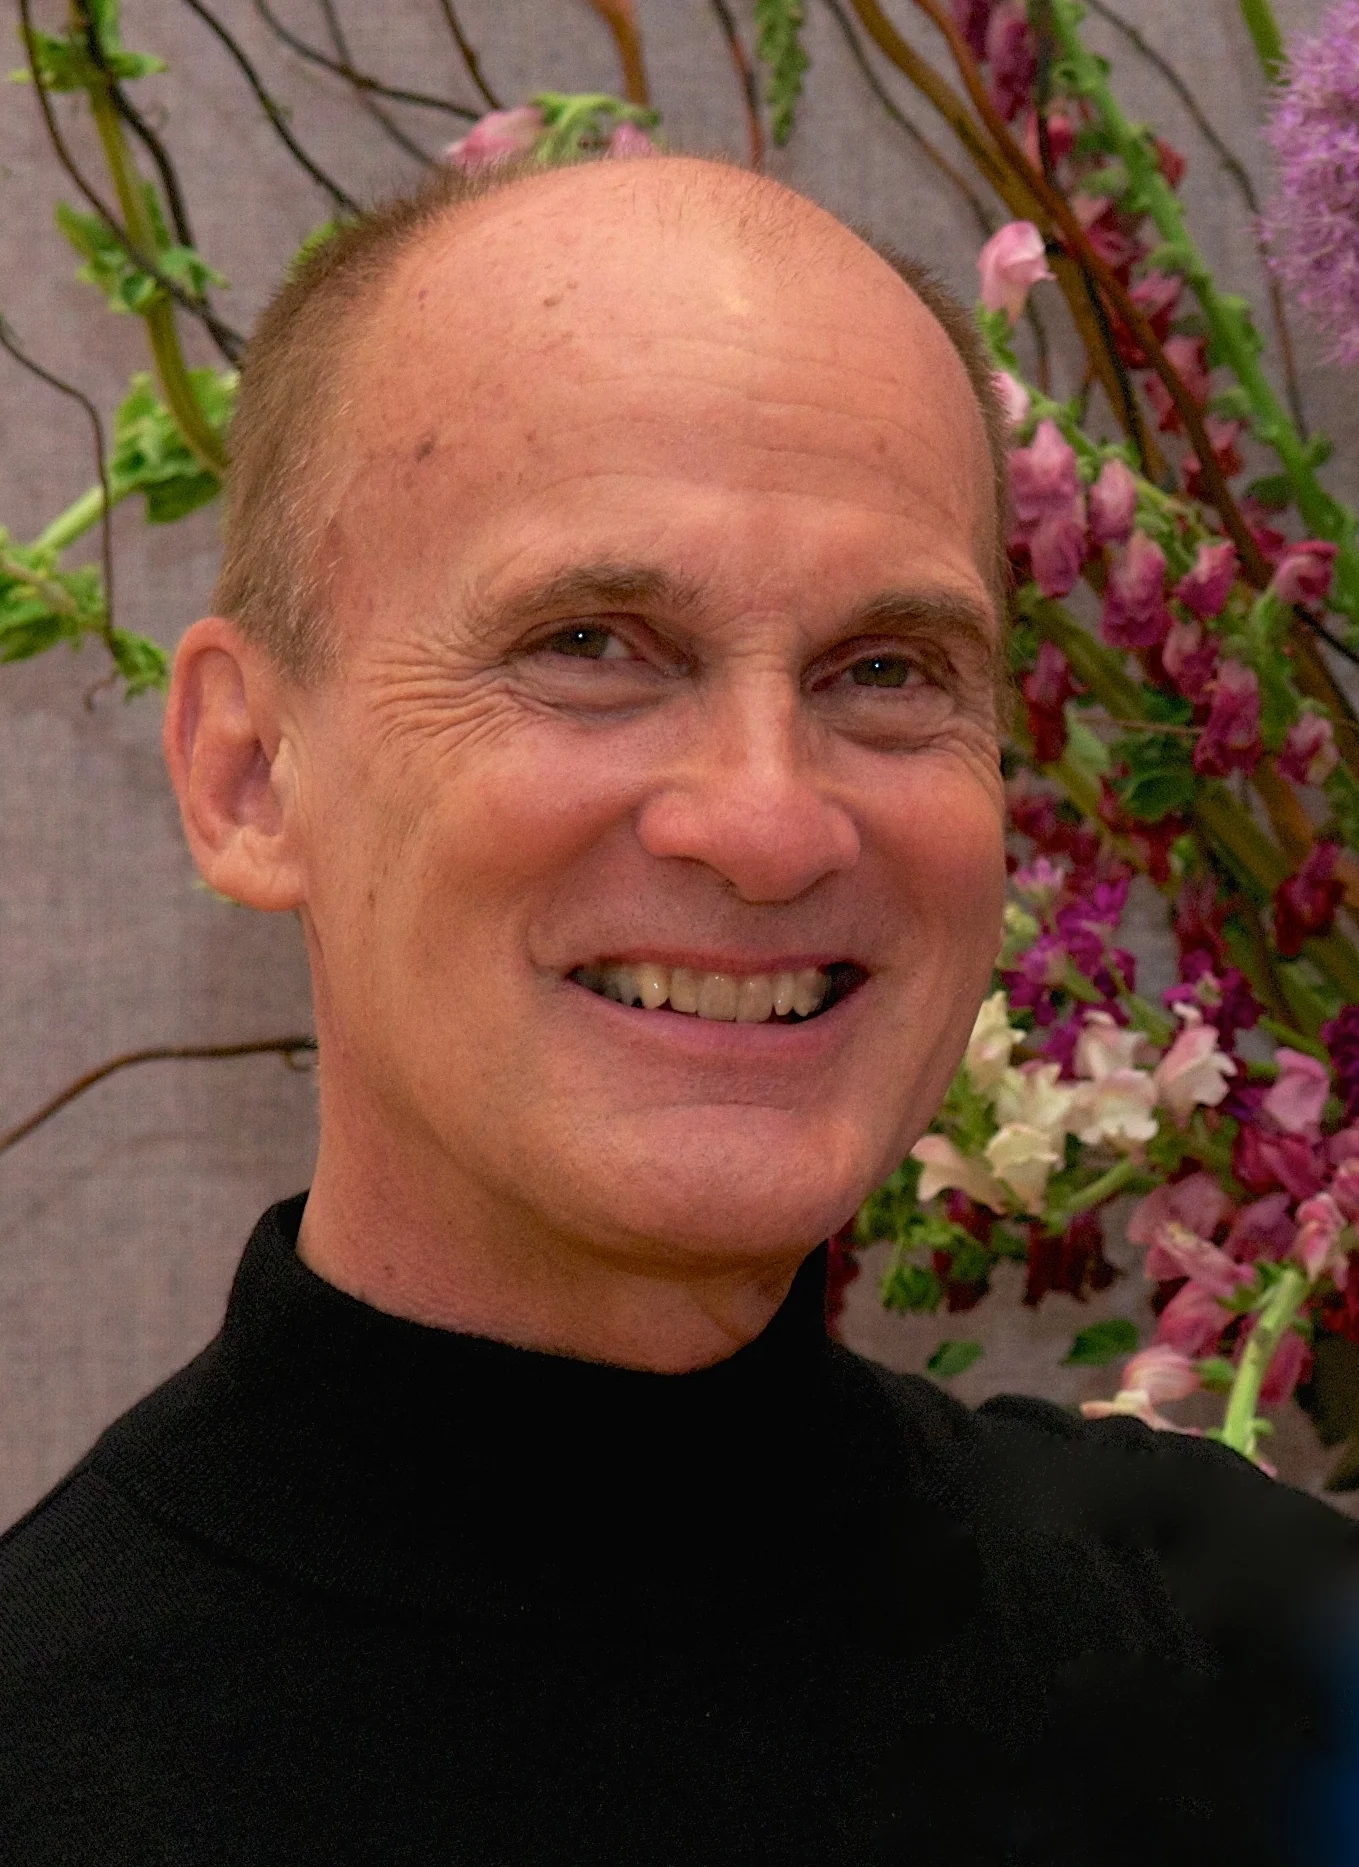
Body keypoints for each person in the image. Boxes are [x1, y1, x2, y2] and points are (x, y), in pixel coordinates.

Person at [0, 151, 1351, 1866]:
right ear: (251, 772)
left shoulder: (1259, 1680)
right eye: (590, 643)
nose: (768, 821)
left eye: (885, 671)